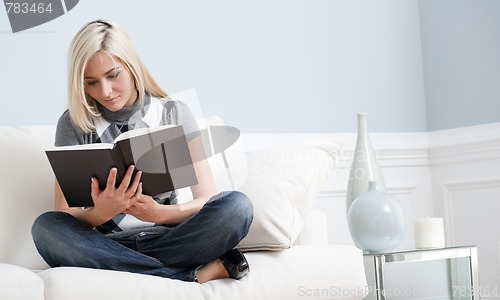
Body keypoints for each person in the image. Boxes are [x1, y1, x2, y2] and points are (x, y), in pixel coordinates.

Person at [31, 19, 253, 283]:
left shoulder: (175, 112)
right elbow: (64, 214)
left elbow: (204, 198)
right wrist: (103, 211)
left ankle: (134, 270)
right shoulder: (74, 124)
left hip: (173, 239)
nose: (105, 91)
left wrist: (157, 214)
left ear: (132, 66)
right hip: (106, 244)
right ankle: (187, 276)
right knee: (46, 228)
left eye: (113, 75)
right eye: (91, 82)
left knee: (238, 206)